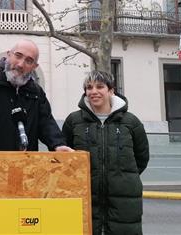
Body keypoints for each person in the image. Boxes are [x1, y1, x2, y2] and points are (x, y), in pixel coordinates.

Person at [62, 70, 149, 235]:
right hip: (85, 198)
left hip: (124, 203)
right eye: (89, 87)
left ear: (111, 90)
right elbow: (64, 158)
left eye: (99, 86)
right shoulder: (73, 121)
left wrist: (121, 178)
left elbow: (141, 158)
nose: (93, 91)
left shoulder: (131, 122)